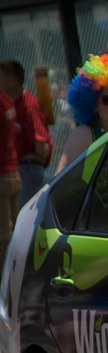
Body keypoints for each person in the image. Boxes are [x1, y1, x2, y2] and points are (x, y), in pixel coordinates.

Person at [0, 60, 52, 208]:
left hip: (27, 171)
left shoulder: (28, 106)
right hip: (18, 171)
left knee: (24, 222)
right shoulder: (10, 104)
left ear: (11, 80)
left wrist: (31, 164)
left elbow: (43, 147)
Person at [0, 87, 19, 262]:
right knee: (15, 228)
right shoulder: (7, 100)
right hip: (12, 172)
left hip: (2, 176)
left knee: (3, 235)